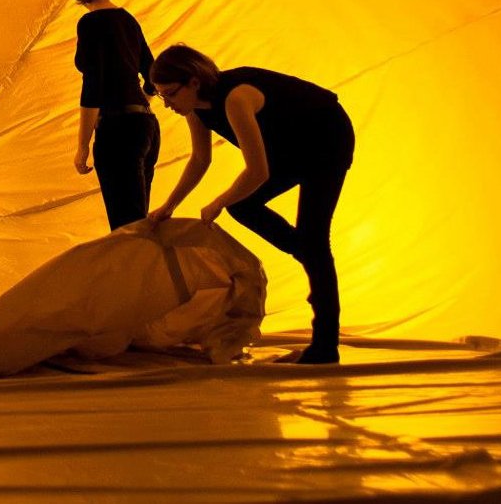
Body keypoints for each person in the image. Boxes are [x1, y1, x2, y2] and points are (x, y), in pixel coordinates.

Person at [146, 45, 355, 364]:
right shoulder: (195, 110)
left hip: (327, 135)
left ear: (193, 83)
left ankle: (325, 347)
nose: (168, 104)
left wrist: (218, 201)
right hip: (290, 143)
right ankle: (307, 253)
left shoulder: (236, 98)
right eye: (161, 96)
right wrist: (168, 206)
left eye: (170, 94)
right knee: (246, 208)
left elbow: (257, 172)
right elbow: (201, 159)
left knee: (309, 234)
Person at [67, 0, 160, 230]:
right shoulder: (128, 20)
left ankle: (144, 273)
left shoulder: (90, 24)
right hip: (147, 127)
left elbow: (93, 86)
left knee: (127, 231)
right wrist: (140, 100)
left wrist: (83, 146)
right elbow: (153, 74)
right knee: (138, 224)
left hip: (118, 132)